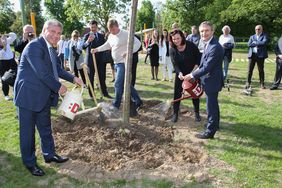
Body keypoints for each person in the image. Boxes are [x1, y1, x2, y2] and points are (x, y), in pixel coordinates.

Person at [13, 19, 83, 176]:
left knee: (45, 129)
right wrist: (61, 88)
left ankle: (49, 155)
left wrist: (73, 78)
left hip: (43, 96)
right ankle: (29, 163)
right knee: (27, 133)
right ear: (44, 31)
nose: (56, 36)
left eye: (58, 33)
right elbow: (42, 73)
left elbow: (56, 69)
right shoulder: (34, 46)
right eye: (52, 32)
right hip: (28, 97)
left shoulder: (51, 48)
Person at [91, 19, 143, 114]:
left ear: (117, 26)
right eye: (110, 30)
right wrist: (97, 50)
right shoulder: (111, 36)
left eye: (113, 30)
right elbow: (107, 45)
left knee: (117, 84)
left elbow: (138, 44)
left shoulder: (126, 34)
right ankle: (138, 101)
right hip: (116, 63)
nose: (112, 32)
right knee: (126, 84)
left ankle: (116, 104)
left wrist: (128, 52)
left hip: (124, 63)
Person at [185, 21, 224, 139]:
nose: (204, 33)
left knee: (210, 106)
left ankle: (209, 131)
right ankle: (214, 125)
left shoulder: (215, 46)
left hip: (212, 81)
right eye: (202, 31)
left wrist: (192, 76)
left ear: (212, 31)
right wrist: (194, 73)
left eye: (206, 30)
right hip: (210, 80)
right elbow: (203, 64)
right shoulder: (208, 44)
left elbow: (207, 67)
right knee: (213, 105)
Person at [169, 29, 201, 123]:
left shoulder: (191, 45)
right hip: (181, 75)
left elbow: (198, 59)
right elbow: (175, 64)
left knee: (194, 94)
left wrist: (193, 73)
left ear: (182, 37)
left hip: (193, 73)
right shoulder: (172, 49)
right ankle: (175, 113)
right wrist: (179, 73)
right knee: (177, 93)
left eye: (178, 38)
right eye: (173, 39)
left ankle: (197, 113)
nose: (176, 41)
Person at [82, 20, 112, 99]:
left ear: (97, 27)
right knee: (90, 77)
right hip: (90, 61)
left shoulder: (101, 36)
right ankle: (92, 95)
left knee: (102, 76)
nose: (93, 29)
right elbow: (83, 46)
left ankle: (105, 93)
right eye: (91, 27)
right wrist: (88, 41)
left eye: (94, 27)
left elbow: (105, 46)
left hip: (101, 60)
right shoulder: (87, 36)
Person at [246, 25, 269, 89]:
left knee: (261, 70)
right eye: (256, 29)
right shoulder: (252, 36)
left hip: (260, 56)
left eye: (258, 29)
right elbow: (249, 44)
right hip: (252, 55)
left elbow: (264, 43)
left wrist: (255, 43)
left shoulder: (264, 36)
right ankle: (248, 82)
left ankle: (262, 83)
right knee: (249, 70)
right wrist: (258, 43)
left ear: (261, 29)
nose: (257, 30)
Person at [0, 32, 18, 100]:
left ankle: (15, 91)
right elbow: (1, 54)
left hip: (11, 61)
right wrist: (4, 45)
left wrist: (6, 35)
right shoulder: (4, 44)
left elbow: (14, 35)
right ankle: (6, 95)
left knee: (16, 76)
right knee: (4, 78)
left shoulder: (6, 40)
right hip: (2, 62)